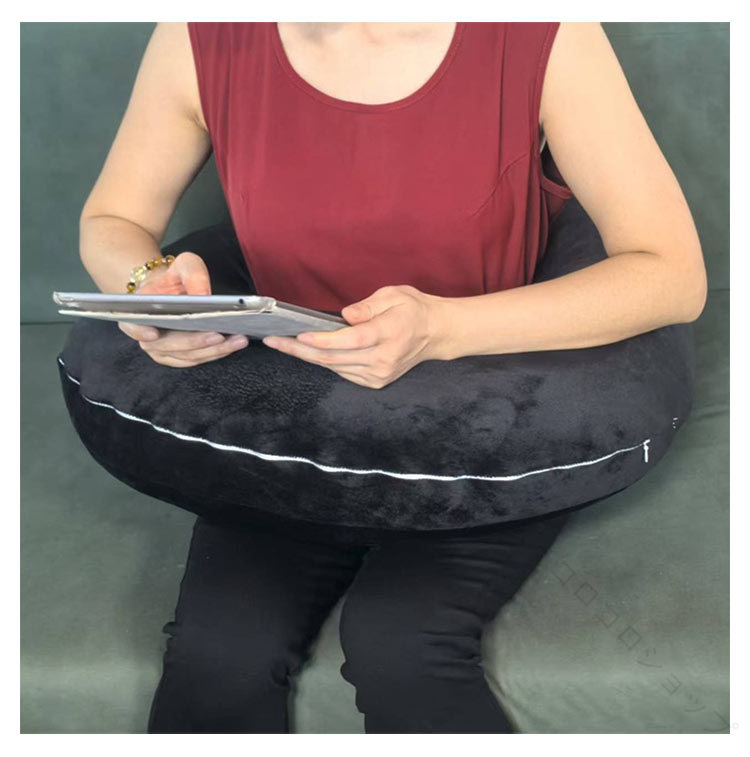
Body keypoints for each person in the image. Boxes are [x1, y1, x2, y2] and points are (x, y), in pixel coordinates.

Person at [77, 22, 707, 734]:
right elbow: (113, 218)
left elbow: (672, 276)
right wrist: (149, 285)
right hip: (296, 431)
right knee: (219, 655)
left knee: (400, 646)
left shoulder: (547, 31)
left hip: (483, 436)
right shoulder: (201, 36)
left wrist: (443, 327)